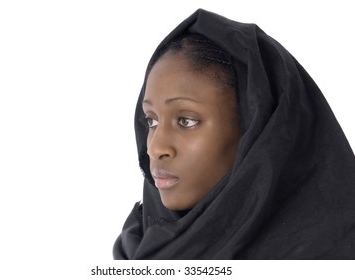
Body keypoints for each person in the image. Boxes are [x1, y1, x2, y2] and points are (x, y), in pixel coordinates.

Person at [113, 8, 355, 259]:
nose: (154, 148)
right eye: (151, 120)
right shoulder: (138, 247)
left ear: (257, 129)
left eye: (186, 120)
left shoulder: (330, 255)